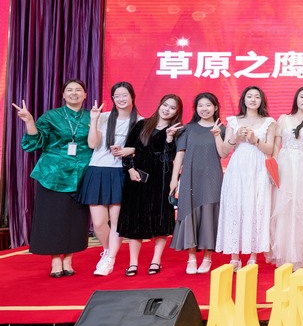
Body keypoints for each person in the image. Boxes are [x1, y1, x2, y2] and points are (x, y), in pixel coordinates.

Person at [14, 79, 92, 277]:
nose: (74, 93)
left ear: (85, 95)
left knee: (75, 219)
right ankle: (56, 260)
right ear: (63, 95)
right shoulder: (51, 116)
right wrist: (29, 121)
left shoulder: (92, 116)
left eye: (78, 90)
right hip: (53, 173)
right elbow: (35, 142)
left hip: (81, 174)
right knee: (53, 218)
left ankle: (68, 260)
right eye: (69, 90)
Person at [118, 94, 183, 276]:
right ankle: (133, 263)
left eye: (172, 108)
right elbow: (128, 149)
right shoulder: (142, 124)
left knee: (160, 218)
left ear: (177, 112)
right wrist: (130, 169)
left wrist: (169, 138)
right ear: (159, 104)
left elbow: (172, 156)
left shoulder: (177, 130)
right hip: (138, 176)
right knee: (135, 219)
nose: (167, 109)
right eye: (165, 105)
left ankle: (156, 260)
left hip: (162, 178)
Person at [80, 81, 139, 276]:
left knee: (116, 220)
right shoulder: (103, 117)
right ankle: (107, 251)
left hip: (120, 172)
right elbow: (92, 144)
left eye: (124, 95)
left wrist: (125, 151)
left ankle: (110, 259)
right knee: (98, 222)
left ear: (132, 96)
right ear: (112, 98)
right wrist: (94, 120)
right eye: (117, 96)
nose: (121, 99)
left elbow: (142, 149)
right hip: (97, 170)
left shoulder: (140, 121)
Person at [216, 86, 276, 270]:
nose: (253, 99)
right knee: (236, 207)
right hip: (238, 168)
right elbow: (224, 151)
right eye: (249, 96)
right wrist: (235, 137)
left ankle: (253, 255)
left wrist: (255, 139)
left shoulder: (269, 122)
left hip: (258, 167)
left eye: (257, 96)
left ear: (262, 100)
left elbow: (270, 149)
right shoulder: (233, 121)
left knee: (256, 207)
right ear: (244, 100)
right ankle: (234, 256)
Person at [170, 92, 228, 274]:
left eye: (208, 105)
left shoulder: (222, 129)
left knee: (209, 214)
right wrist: (174, 179)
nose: (204, 109)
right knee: (189, 213)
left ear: (215, 107)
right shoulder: (187, 129)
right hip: (190, 177)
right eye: (200, 105)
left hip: (212, 177)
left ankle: (208, 258)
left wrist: (217, 135)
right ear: (196, 108)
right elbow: (180, 155)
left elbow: (223, 153)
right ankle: (191, 258)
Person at [268, 86, 303, 270]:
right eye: (302, 97)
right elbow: (276, 146)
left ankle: (301, 255)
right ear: (296, 99)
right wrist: (274, 167)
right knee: (284, 207)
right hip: (285, 166)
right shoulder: (284, 119)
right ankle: (284, 254)